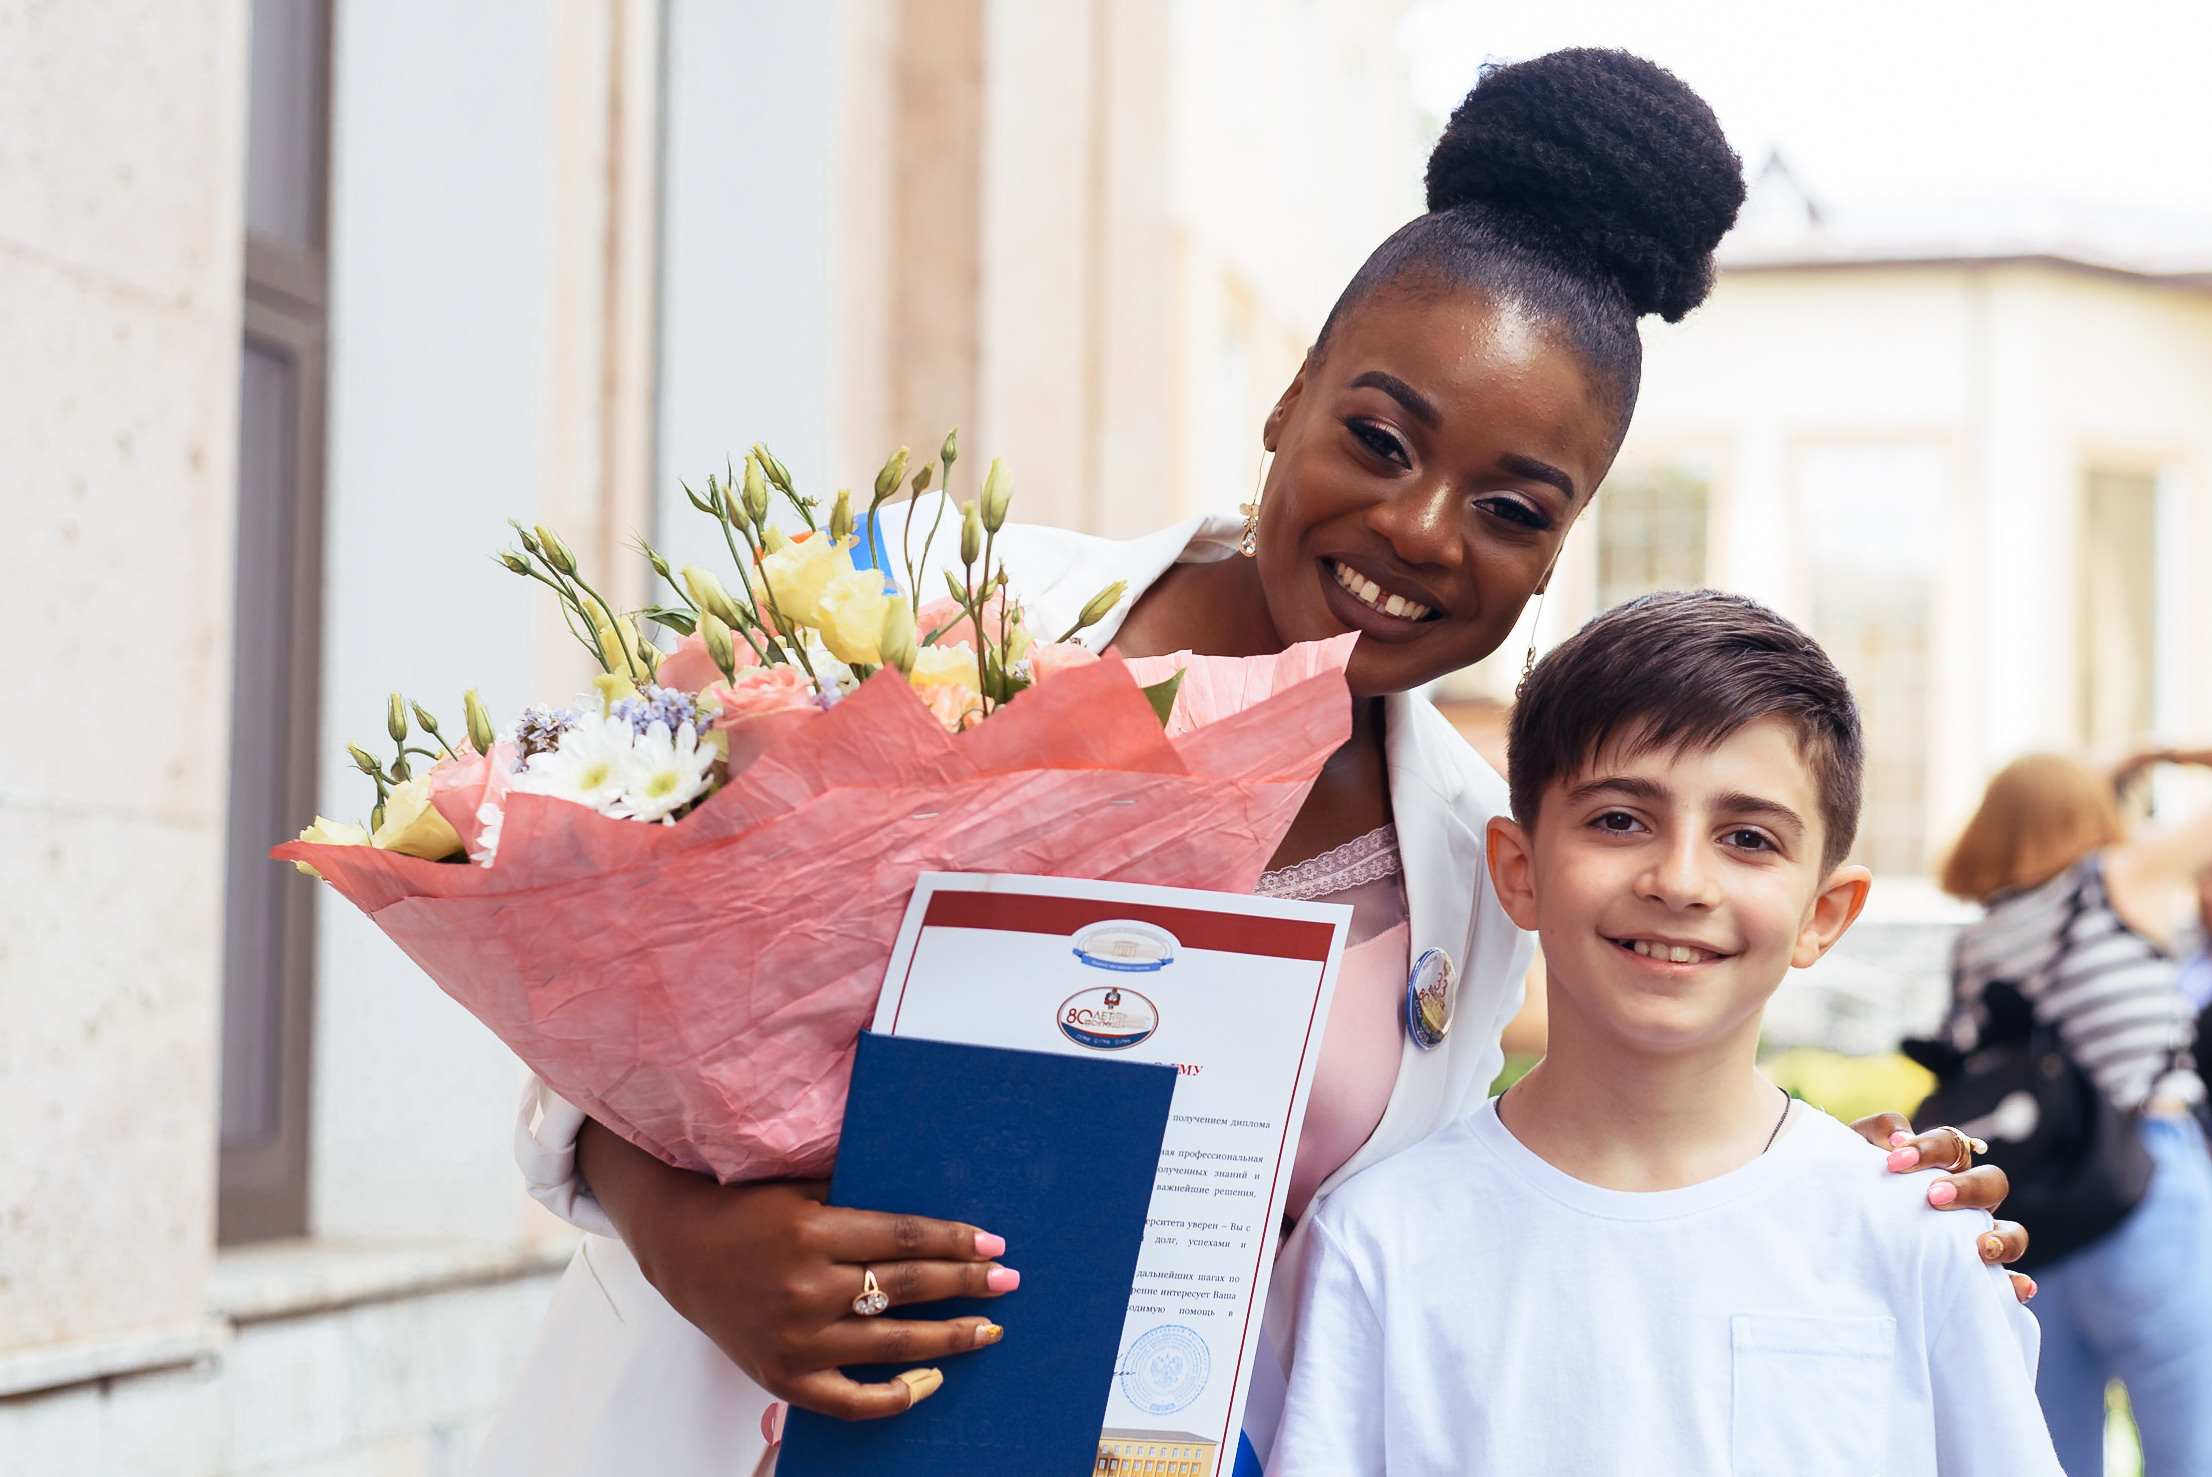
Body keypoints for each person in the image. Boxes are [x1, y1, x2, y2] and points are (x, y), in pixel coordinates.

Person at [474, 50, 2023, 1476]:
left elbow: (1491, 1196)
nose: (1420, 533)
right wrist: (689, 1236)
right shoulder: (932, 604)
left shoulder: (1474, 867)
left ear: (1560, 547)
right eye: (1381, 437)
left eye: (1513, 507)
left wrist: (1831, 1198)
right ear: (1290, 400)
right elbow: (601, 994)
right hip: (689, 1424)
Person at [1272, 591, 2061, 1477]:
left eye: (1749, 837)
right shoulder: (1379, 1238)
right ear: (1518, 870)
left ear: (1824, 913)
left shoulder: (1910, 1234)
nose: (1681, 880)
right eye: (1619, 819)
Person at [1940, 749, 2212, 1475]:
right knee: (2192, 1442)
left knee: (2052, 1448)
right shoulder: (2116, 882)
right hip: (2147, 1180)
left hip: (2036, 1214)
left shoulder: (1976, 943)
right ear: (2088, 813)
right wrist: (2154, 756)